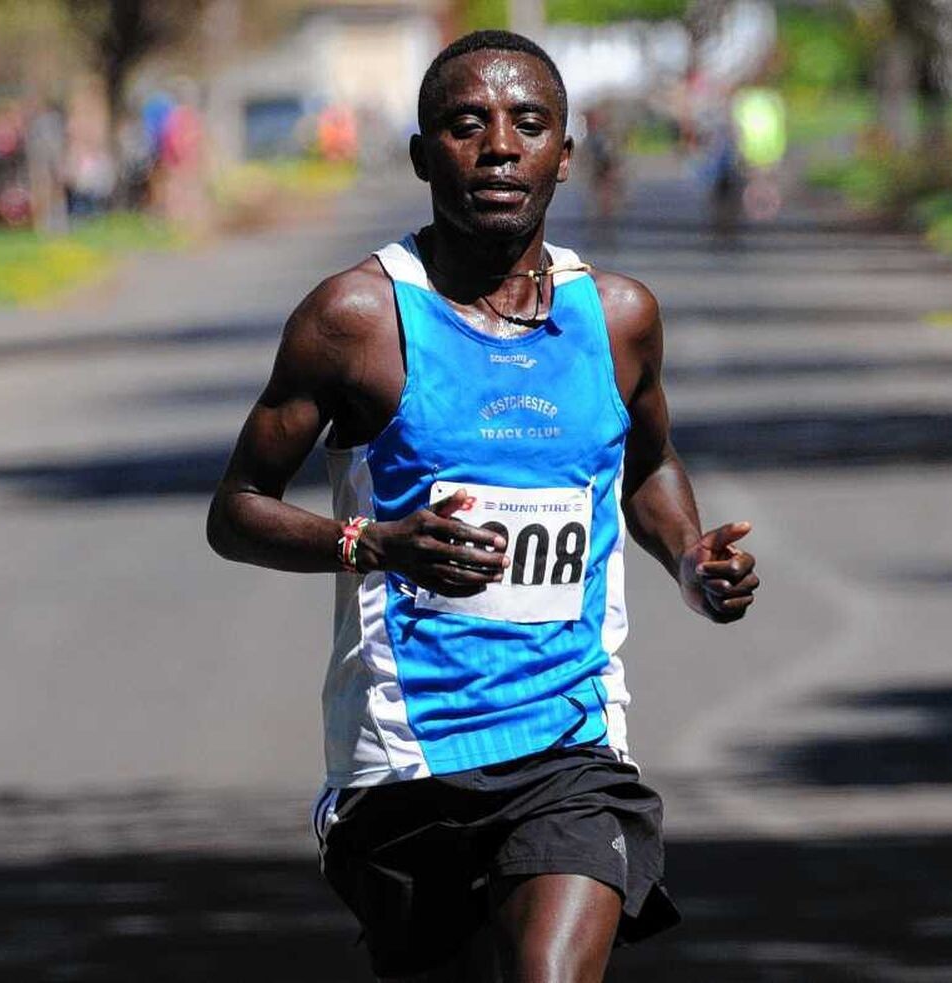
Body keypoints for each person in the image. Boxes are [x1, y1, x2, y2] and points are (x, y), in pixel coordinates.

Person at [207, 30, 759, 982]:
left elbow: (649, 467)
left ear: (565, 154)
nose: (499, 146)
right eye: (466, 126)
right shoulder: (356, 320)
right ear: (424, 155)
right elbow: (237, 509)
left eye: (528, 124)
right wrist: (375, 542)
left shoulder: (619, 317)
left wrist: (689, 560)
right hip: (405, 761)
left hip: (572, 744)